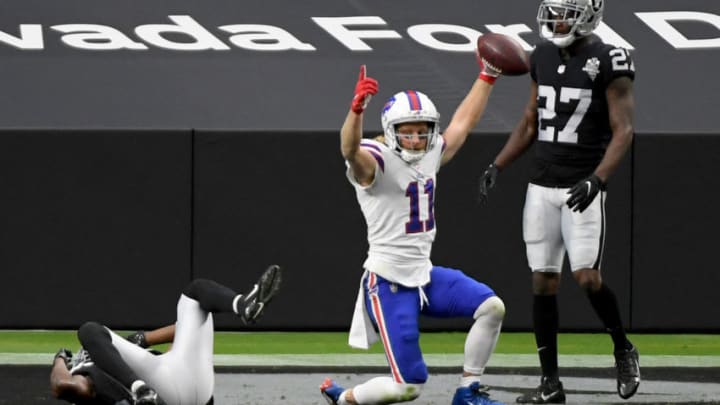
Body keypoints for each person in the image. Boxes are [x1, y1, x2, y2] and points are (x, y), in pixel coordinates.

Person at [476, 0, 640, 403]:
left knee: (588, 278)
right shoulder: (542, 55)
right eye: (554, 11)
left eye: (565, 12)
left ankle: (623, 348)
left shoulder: (609, 59)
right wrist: (499, 163)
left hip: (580, 185)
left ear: (588, 14)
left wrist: (598, 180)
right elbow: (531, 120)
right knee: (543, 281)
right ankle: (550, 384)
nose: (556, 20)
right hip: (542, 185)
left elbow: (623, 131)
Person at [319, 57, 507, 405]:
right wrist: (356, 112)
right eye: (408, 130)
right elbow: (349, 149)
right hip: (388, 282)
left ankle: (468, 392)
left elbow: (463, 123)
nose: (417, 137)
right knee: (409, 387)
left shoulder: (429, 152)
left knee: (492, 307)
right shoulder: (376, 160)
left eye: (423, 129)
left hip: (423, 276)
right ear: (392, 131)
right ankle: (343, 398)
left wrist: (487, 76)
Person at [50, 265, 282, 405]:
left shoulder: (117, 359)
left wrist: (145, 339)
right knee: (88, 329)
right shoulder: (87, 371)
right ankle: (242, 305)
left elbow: (181, 329)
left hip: (174, 384)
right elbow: (62, 385)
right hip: (185, 390)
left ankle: (245, 305)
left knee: (196, 297)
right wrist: (61, 359)